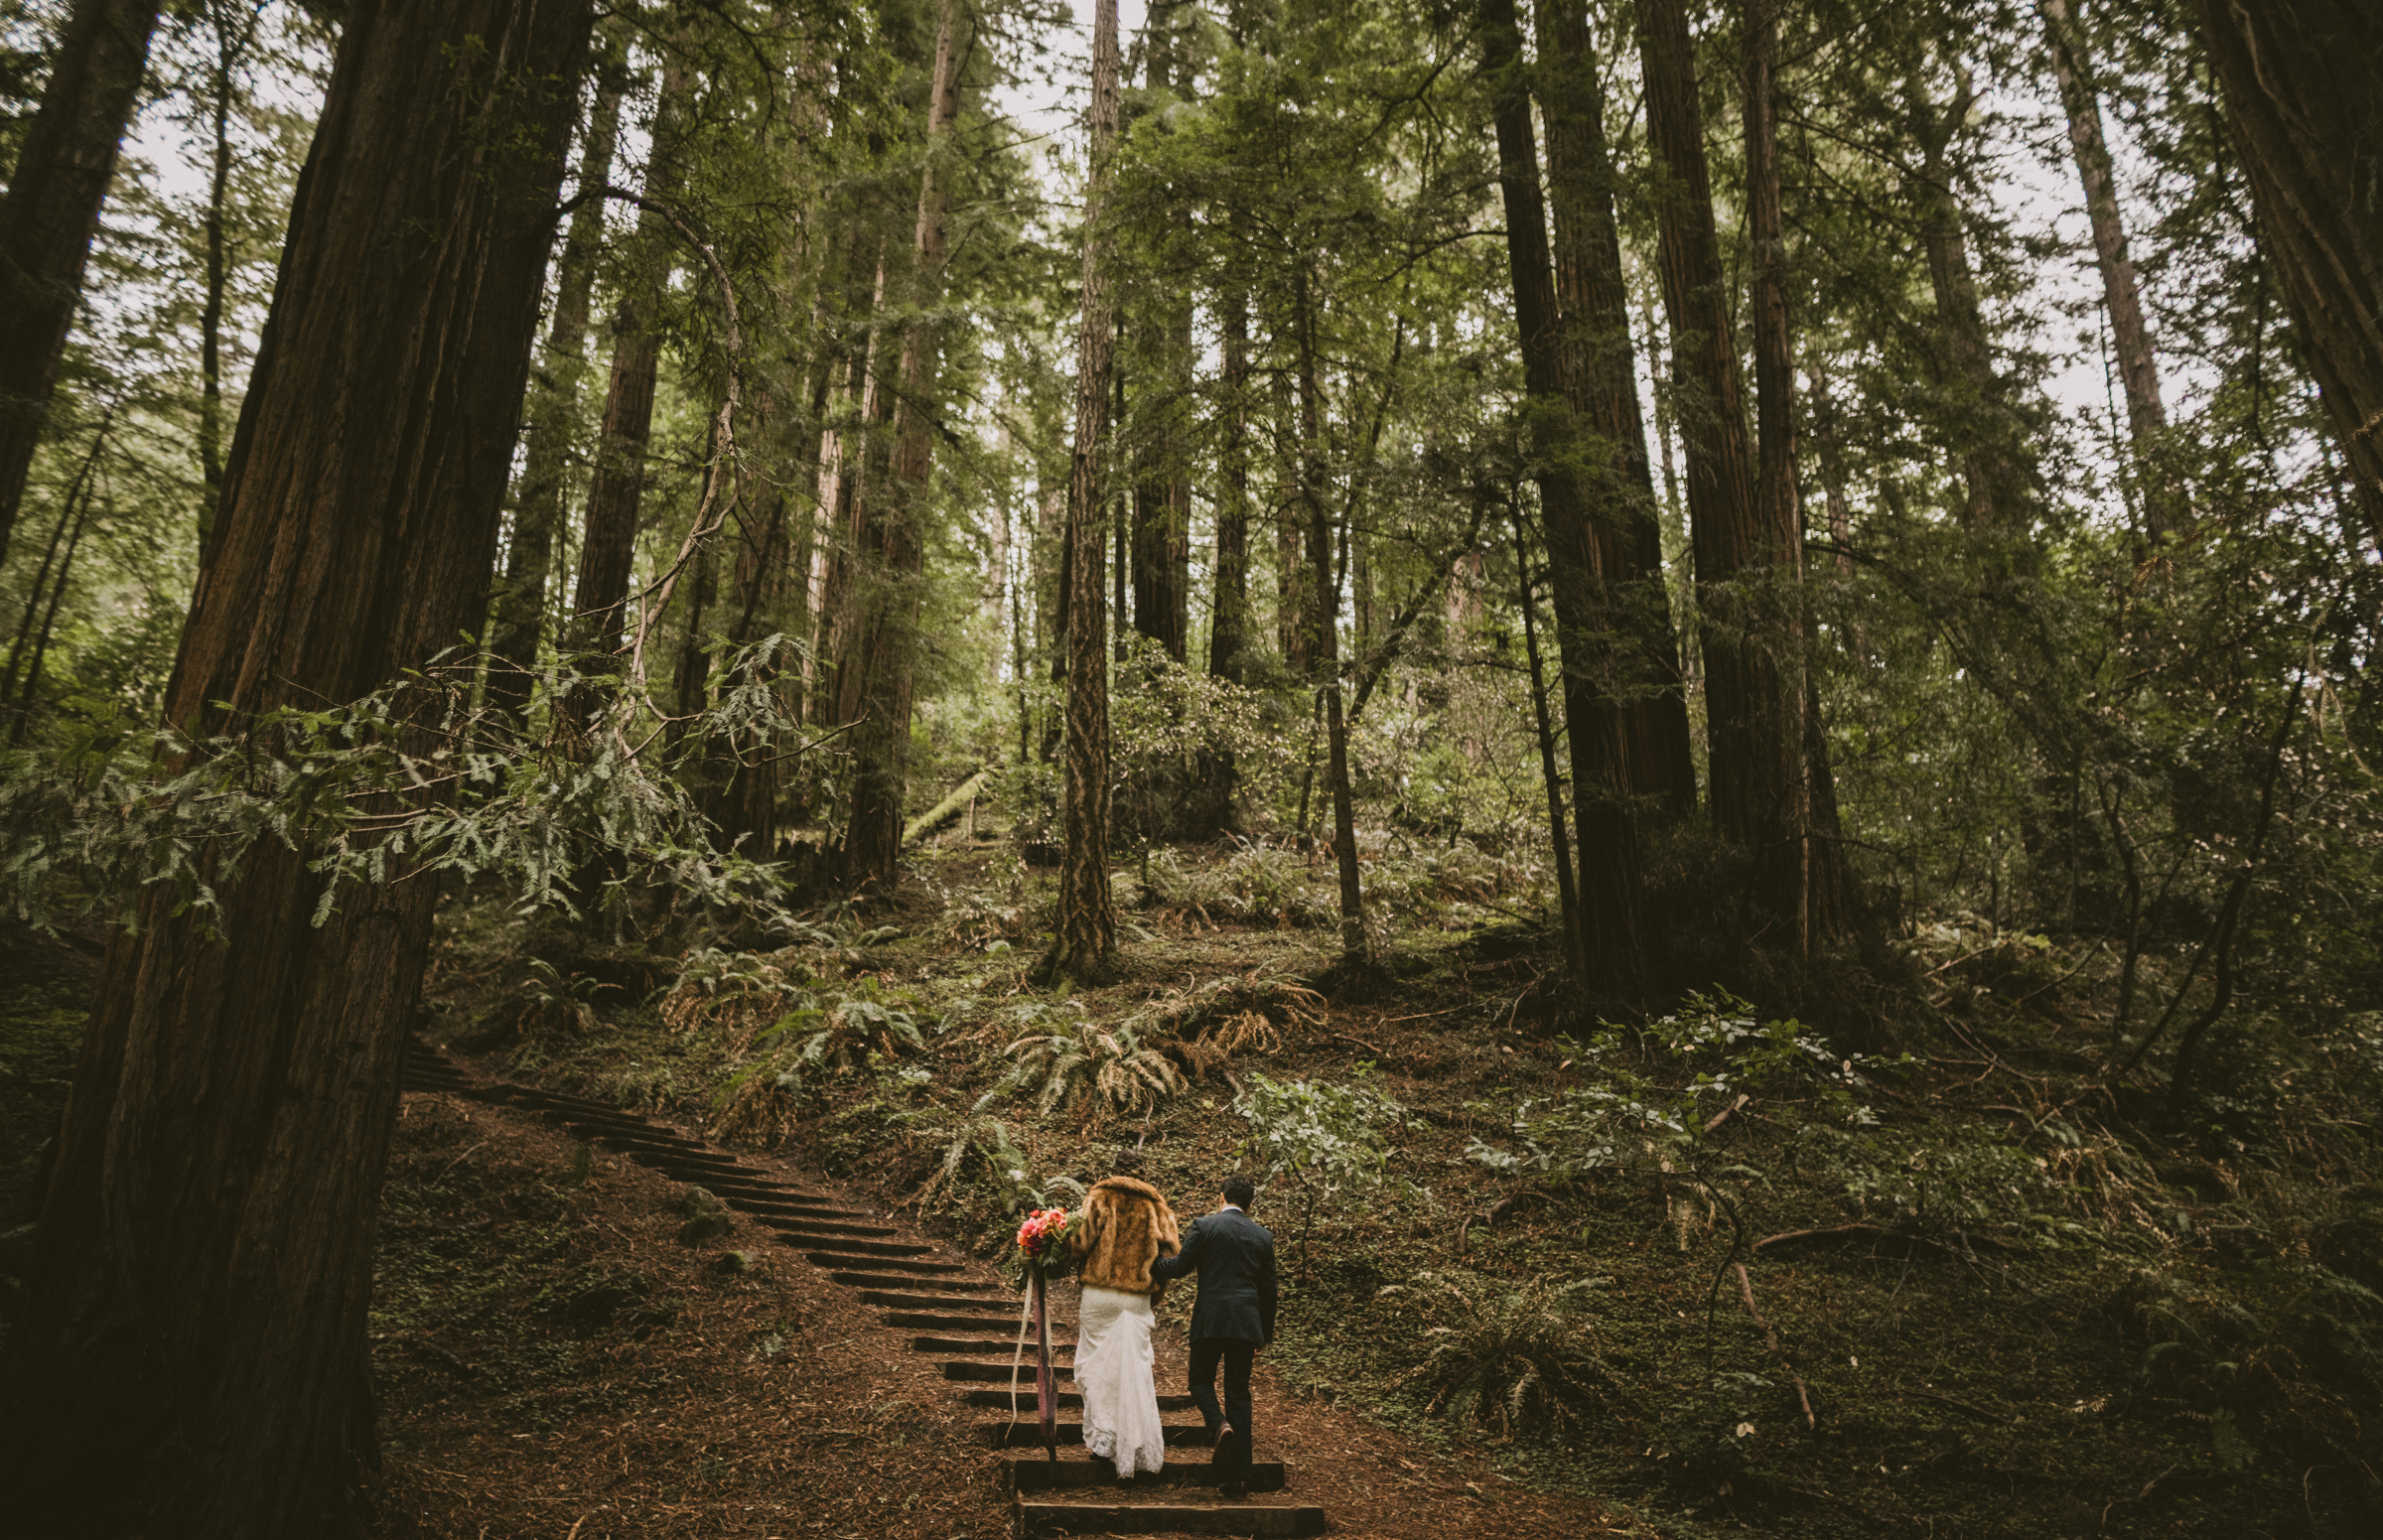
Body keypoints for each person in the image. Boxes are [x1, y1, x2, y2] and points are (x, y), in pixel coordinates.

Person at [1150, 1173, 1277, 1499]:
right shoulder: (1262, 1236)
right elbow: (1269, 1291)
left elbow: (1179, 1267)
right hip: (1246, 1325)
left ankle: (1219, 1425)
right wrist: (1264, 1334)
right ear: (1250, 1203)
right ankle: (1239, 1478)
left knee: (1200, 1380)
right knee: (1239, 1393)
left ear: (1221, 1197)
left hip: (1210, 1321)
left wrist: (1152, 1264)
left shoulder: (1205, 1226)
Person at [1062, 1171, 1181, 1477]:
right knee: (1133, 1372)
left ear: (1114, 1172)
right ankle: (1133, 1442)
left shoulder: (1099, 1198)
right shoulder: (1158, 1208)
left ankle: (1104, 1442)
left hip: (1099, 1295)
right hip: (1137, 1299)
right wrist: (1154, 1295)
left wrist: (1050, 1257)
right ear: (1143, 1175)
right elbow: (1171, 1256)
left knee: (1092, 1368)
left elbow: (1077, 1243)